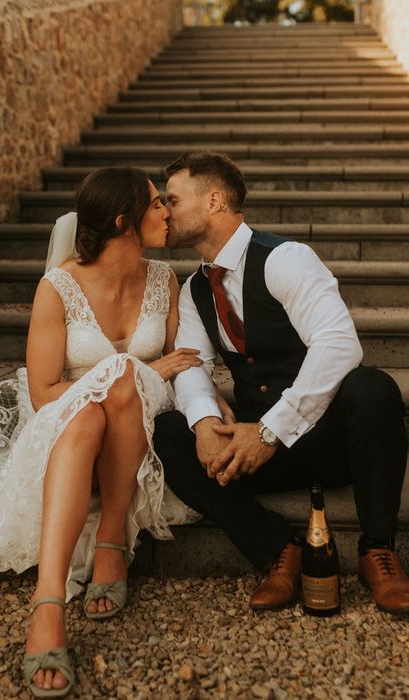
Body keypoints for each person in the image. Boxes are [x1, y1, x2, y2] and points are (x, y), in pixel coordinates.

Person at [0, 166, 215, 697]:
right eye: (155, 205)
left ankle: (86, 565)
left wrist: (192, 399)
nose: (167, 212)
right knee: (102, 397)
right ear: (124, 221)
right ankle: (56, 595)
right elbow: (42, 392)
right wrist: (129, 373)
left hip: (140, 423)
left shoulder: (165, 280)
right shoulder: (58, 287)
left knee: (122, 383)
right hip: (69, 421)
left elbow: (182, 360)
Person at [155, 151, 409, 616]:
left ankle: (377, 552)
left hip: (328, 439)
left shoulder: (285, 259)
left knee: (373, 389)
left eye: (171, 199)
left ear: (213, 201)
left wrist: (271, 429)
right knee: (168, 432)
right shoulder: (193, 290)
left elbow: (339, 344)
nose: (163, 212)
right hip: (257, 448)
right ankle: (278, 548)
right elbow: (190, 364)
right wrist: (205, 422)